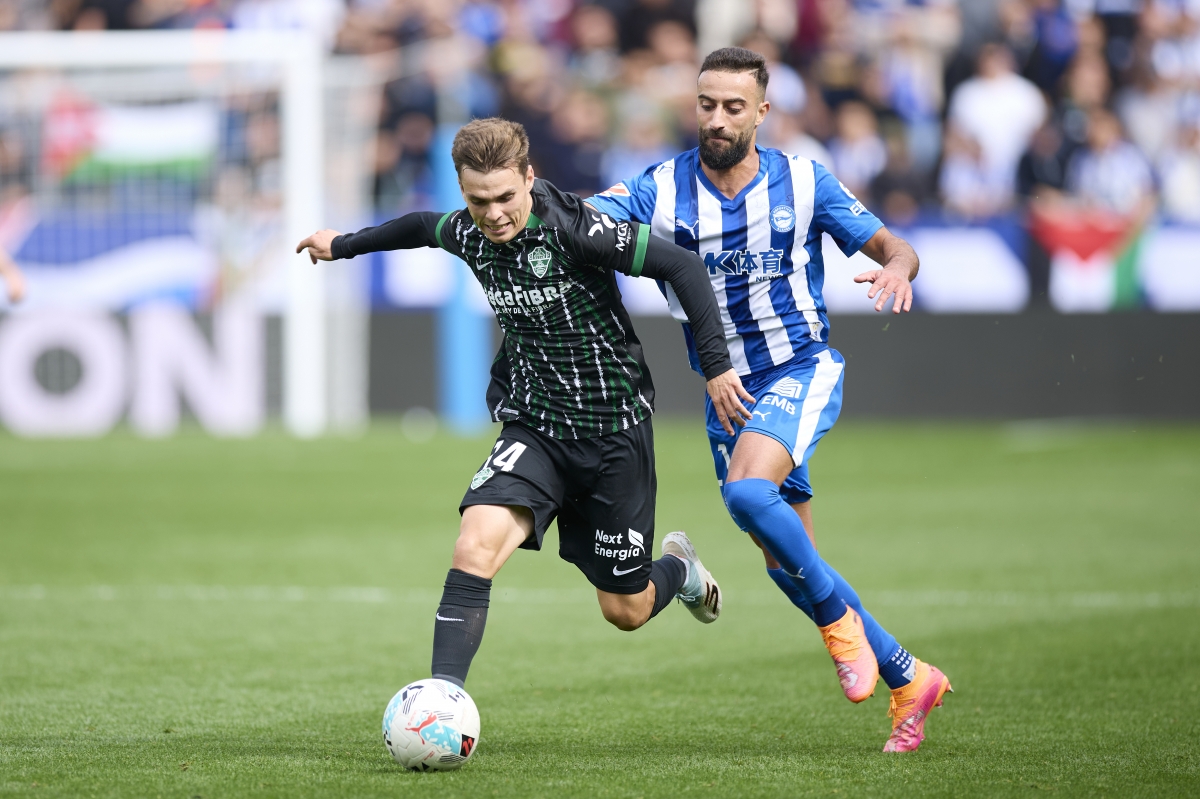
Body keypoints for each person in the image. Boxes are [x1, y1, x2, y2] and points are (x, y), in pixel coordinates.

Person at [296, 118, 749, 688]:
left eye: (505, 197)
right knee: (474, 546)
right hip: (535, 425)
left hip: (614, 432)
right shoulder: (467, 230)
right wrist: (343, 245)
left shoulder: (575, 229)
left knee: (625, 610)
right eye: (478, 201)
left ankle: (680, 568)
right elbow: (421, 226)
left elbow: (681, 265)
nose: (493, 214)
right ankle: (443, 699)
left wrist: (717, 367)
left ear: (529, 178)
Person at [585, 48, 950, 753]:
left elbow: (893, 246)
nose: (717, 120)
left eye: (733, 107)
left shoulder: (805, 181)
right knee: (788, 563)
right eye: (706, 105)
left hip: (801, 369)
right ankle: (910, 676)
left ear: (762, 112)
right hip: (728, 397)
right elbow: (582, 219)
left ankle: (839, 629)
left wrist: (899, 269)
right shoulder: (660, 188)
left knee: (749, 493)